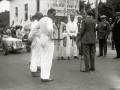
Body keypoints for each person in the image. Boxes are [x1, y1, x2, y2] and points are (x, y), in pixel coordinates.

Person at [39, 8, 56, 82]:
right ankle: (45, 77)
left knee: (43, 58)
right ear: (49, 13)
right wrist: (52, 36)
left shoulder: (41, 19)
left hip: (42, 38)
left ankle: (43, 76)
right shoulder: (49, 20)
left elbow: (36, 29)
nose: (54, 16)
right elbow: (49, 29)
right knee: (48, 58)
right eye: (53, 14)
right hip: (48, 39)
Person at [28, 12, 43, 77]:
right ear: (38, 16)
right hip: (36, 39)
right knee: (34, 56)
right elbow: (33, 32)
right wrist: (29, 39)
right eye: (41, 16)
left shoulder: (38, 23)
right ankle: (33, 70)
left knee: (38, 55)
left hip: (38, 39)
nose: (42, 17)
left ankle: (37, 67)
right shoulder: (35, 23)